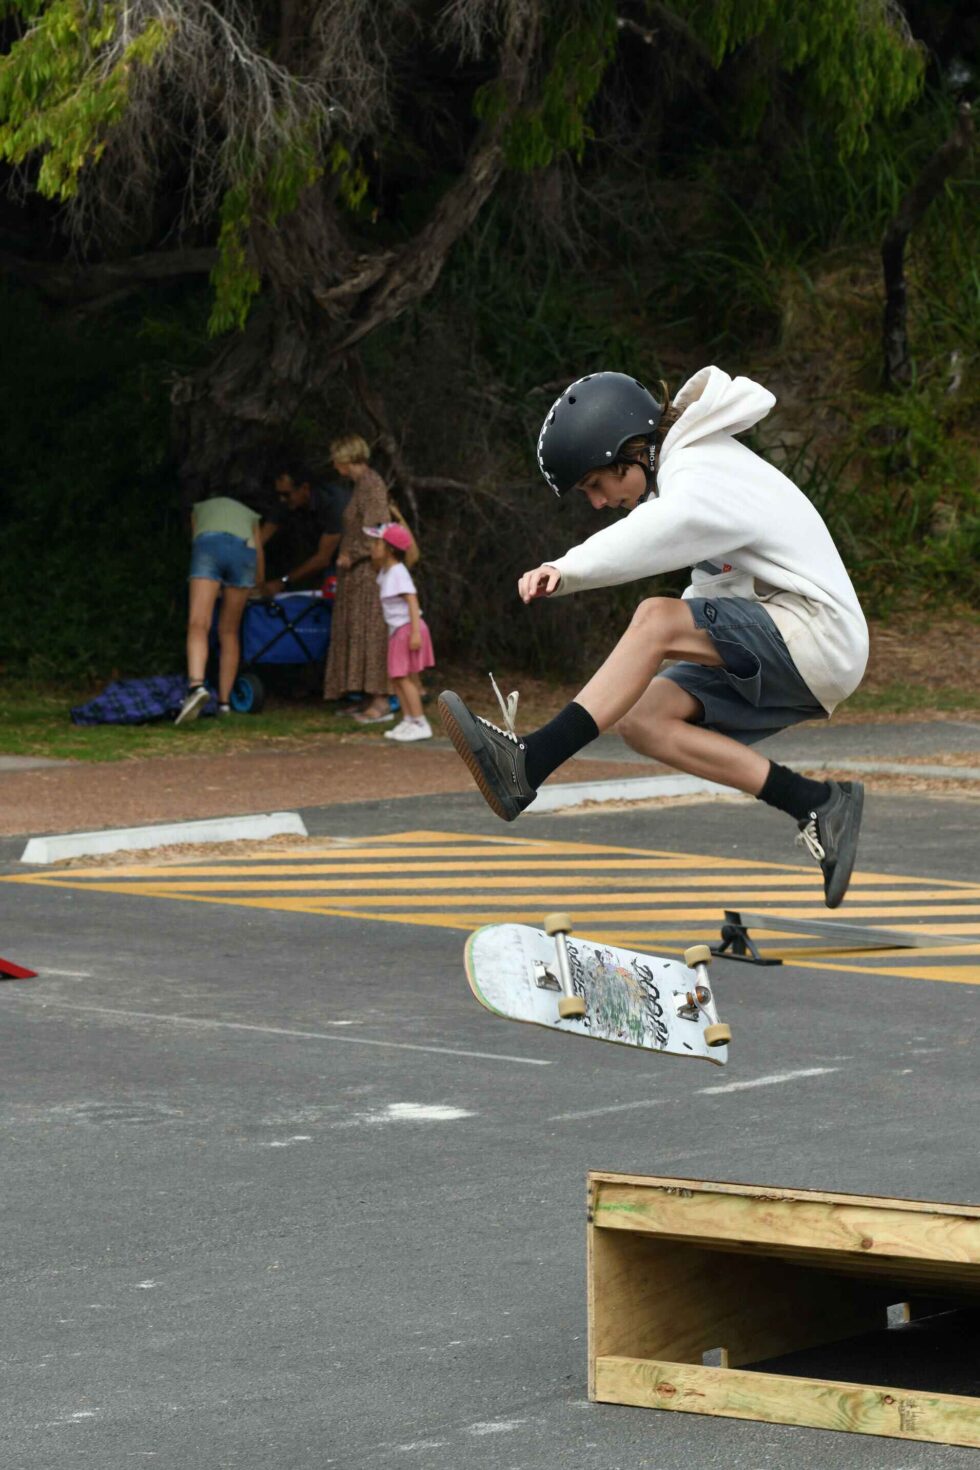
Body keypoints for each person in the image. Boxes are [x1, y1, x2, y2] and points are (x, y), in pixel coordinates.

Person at [438, 367, 869, 909]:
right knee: (643, 721)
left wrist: (568, 568)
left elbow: (662, 530)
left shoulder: (701, 467)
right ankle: (816, 803)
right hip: (793, 639)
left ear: (630, 451)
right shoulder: (690, 475)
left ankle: (530, 763)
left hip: (818, 635)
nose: (596, 502)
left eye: (596, 484)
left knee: (656, 618)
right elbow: (717, 586)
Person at [176, 493, 265, 724]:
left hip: (209, 545)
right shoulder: (250, 514)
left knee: (199, 623)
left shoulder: (199, 508)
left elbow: (197, 539)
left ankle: (196, 687)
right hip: (244, 551)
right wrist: (260, 582)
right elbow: (259, 550)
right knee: (229, 631)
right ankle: (225, 703)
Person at [323, 434, 393, 723]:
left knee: (371, 633)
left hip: (368, 574)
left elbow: (378, 531)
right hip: (354, 577)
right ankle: (364, 695)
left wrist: (353, 554)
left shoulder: (372, 485)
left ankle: (381, 700)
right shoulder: (359, 487)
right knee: (356, 632)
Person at [365, 523, 435, 741]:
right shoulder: (387, 571)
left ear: (390, 549)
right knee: (398, 678)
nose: (373, 547)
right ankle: (408, 719)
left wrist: (414, 632)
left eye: (377, 543)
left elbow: (412, 600)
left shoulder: (397, 572)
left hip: (407, 629)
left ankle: (419, 722)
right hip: (400, 630)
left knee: (403, 678)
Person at [257, 457, 347, 594]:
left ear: (304, 488)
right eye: (279, 494)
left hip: (346, 557)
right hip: (314, 549)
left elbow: (323, 559)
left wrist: (282, 582)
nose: (282, 499)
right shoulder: (285, 502)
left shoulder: (333, 503)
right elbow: (259, 541)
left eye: (286, 494)